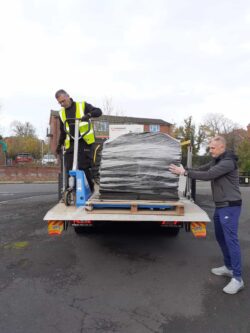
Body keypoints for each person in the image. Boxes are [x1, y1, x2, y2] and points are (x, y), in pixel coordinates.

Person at [169, 135, 244, 295]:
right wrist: (185, 170)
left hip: (230, 206)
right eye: (209, 147)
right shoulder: (217, 160)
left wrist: (184, 173)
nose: (210, 150)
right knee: (220, 236)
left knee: (231, 240)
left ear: (222, 147)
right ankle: (229, 267)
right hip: (221, 206)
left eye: (212, 148)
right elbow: (202, 169)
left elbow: (208, 175)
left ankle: (238, 278)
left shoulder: (228, 162)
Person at [55, 89, 102, 192]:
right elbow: (63, 131)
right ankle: (72, 190)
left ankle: (90, 188)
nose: (62, 104)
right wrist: (59, 145)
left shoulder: (82, 105)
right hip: (71, 143)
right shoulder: (61, 113)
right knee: (70, 169)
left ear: (68, 96)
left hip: (84, 141)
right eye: (60, 103)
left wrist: (88, 115)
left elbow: (98, 111)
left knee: (83, 166)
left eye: (63, 101)